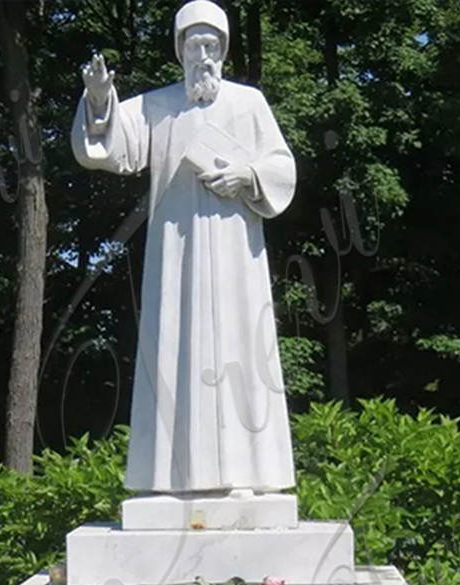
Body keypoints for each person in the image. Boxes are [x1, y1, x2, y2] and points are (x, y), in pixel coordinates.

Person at [72, 0, 296, 495]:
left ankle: (246, 476)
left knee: (240, 349)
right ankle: (172, 479)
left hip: (237, 254)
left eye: (212, 45)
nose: (204, 54)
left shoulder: (248, 104)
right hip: (176, 253)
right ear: (180, 51)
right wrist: (98, 99)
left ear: (224, 50)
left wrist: (248, 174)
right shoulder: (157, 105)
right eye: (194, 44)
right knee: (175, 348)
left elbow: (282, 167)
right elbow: (112, 148)